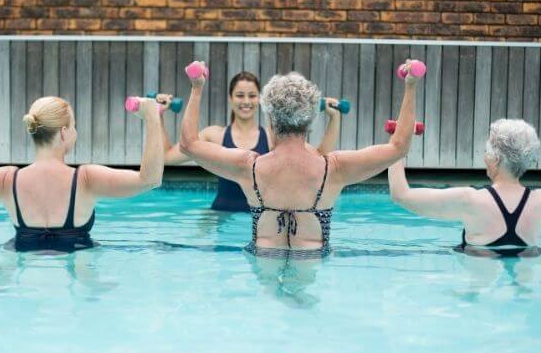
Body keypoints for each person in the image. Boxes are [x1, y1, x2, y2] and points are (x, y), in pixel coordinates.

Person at [179, 61, 422, 258]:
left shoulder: (249, 167)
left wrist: (197, 87)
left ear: (271, 121)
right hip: (312, 257)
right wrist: (411, 86)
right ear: (310, 123)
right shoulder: (333, 169)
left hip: (264, 256)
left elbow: (189, 144)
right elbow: (399, 148)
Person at [0, 96, 164, 253]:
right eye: (74, 126)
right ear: (63, 132)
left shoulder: (7, 180)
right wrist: (152, 117)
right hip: (78, 280)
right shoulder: (87, 179)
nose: (75, 131)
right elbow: (150, 179)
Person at [387, 119, 541, 257]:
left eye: (487, 152)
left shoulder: (470, 200)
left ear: (496, 159)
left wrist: (398, 140)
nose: (484, 156)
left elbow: (401, 194)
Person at [162, 71, 342, 212]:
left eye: (252, 96)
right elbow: (167, 157)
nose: (246, 101)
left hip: (257, 221)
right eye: (240, 95)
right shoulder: (214, 136)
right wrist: (158, 115)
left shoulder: (273, 140)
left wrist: (334, 119)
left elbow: (321, 159)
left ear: (260, 100)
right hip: (221, 217)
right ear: (230, 98)